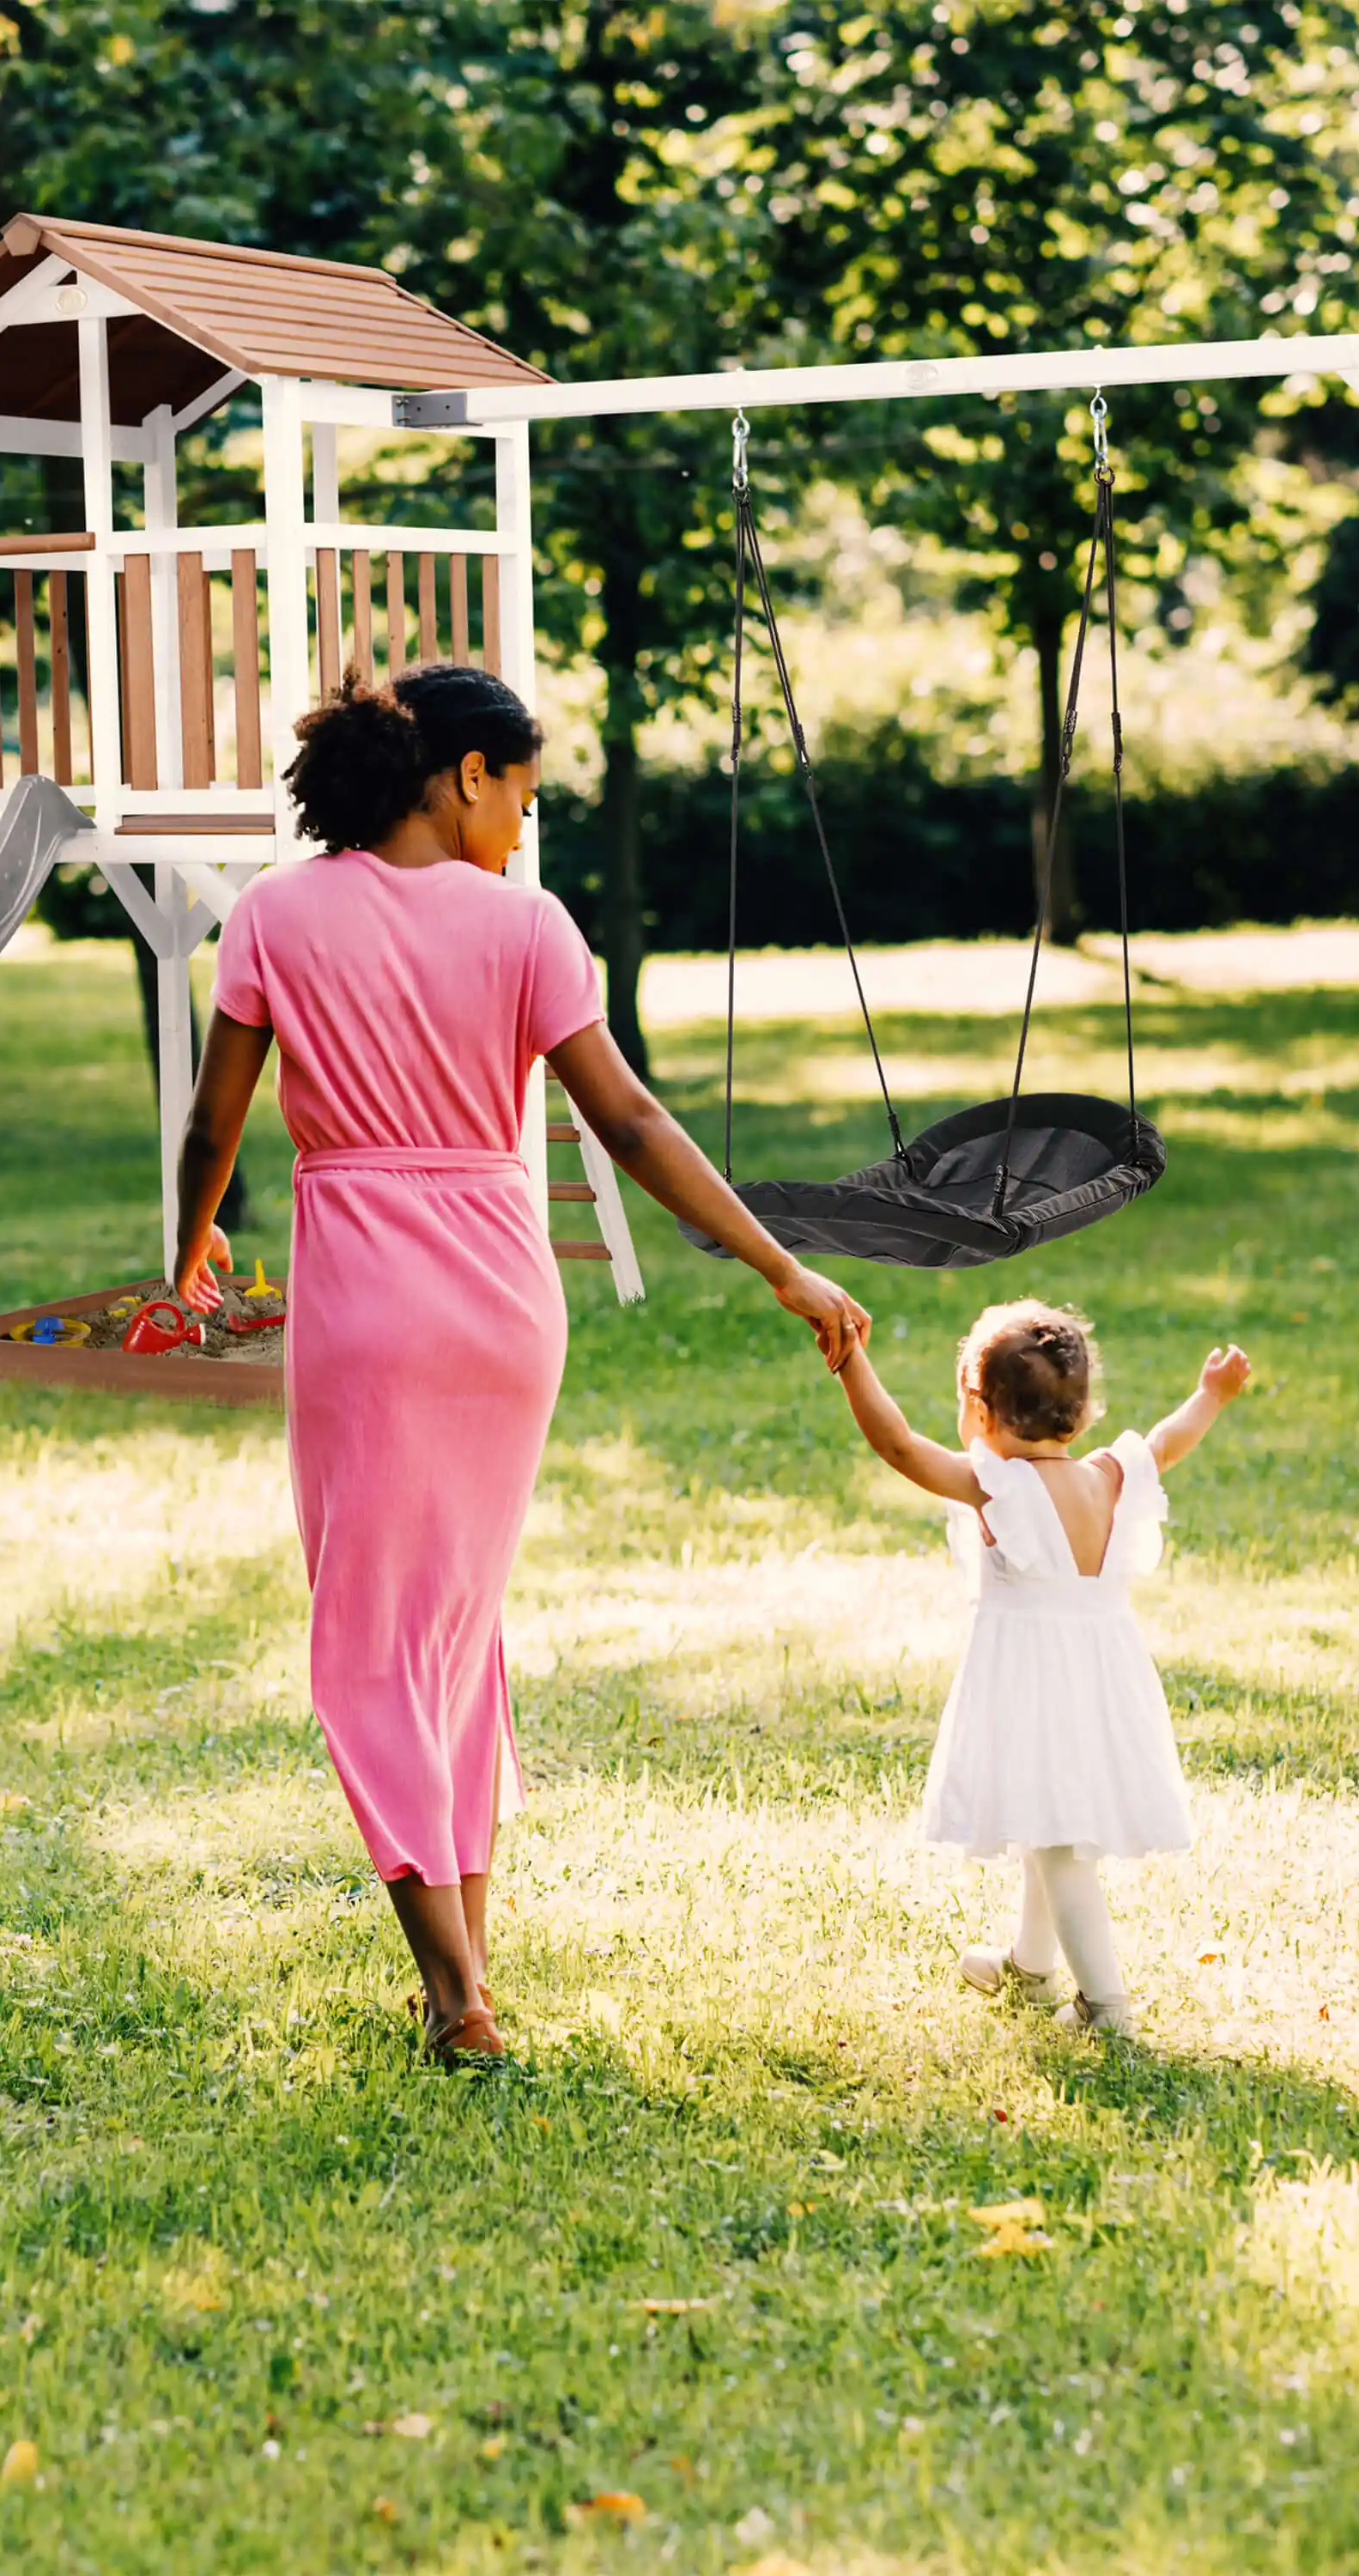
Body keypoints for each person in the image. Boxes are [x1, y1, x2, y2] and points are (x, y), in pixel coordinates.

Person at [169, 665, 871, 2065]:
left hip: (366, 1303)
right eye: (523, 798)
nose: (523, 830)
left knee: (372, 1643)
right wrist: (779, 1262)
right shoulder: (529, 929)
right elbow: (631, 1123)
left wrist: (184, 1255)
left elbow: (215, 1125)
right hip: (502, 1304)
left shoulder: (274, 915)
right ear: (464, 774)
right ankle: (466, 1973)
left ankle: (452, 1995)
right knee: (453, 1632)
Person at [829, 1300, 1253, 2037]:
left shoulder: (999, 1488)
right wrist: (1210, 1395)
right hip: (1101, 1680)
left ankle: (1105, 2006)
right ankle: (1029, 1968)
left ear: (981, 1411)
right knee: (1044, 1819)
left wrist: (850, 1360)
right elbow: (1168, 1440)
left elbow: (898, 1446)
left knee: (1058, 1845)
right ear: (1082, 1413)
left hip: (1034, 1685)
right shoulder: (1111, 1476)